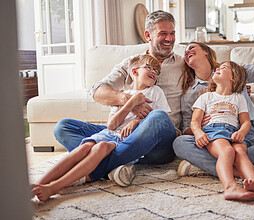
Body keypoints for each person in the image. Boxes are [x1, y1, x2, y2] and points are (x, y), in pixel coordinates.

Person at [53, 10, 181, 185]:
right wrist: (129, 102)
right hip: (121, 134)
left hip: (158, 143)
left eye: (172, 33)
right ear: (147, 36)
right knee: (63, 127)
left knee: (157, 117)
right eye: (163, 34)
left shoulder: (183, 64)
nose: (169, 39)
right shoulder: (131, 64)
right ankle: (120, 163)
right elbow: (97, 91)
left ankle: (97, 168)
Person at [32, 54, 172, 201]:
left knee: (101, 148)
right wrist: (130, 103)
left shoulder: (156, 92)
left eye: (157, 71)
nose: (154, 72)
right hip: (111, 133)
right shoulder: (122, 94)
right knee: (82, 145)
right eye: (149, 68)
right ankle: (39, 184)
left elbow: (159, 119)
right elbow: (111, 125)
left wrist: (136, 121)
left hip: (130, 139)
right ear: (135, 72)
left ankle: (55, 186)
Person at [173, 39, 254, 183]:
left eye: (191, 47)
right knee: (180, 143)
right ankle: (246, 172)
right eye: (185, 52)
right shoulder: (191, 93)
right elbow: (187, 129)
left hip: (243, 135)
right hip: (212, 137)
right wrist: (199, 128)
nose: (187, 52)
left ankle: (202, 167)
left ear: (206, 51)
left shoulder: (234, 70)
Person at [191, 61, 254, 200]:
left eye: (223, 67)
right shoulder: (206, 97)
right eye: (217, 67)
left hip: (234, 132)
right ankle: (230, 187)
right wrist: (199, 133)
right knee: (227, 151)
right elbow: (195, 121)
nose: (217, 69)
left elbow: (246, 122)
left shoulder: (239, 97)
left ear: (233, 77)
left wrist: (241, 132)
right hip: (213, 132)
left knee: (240, 151)